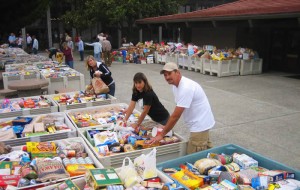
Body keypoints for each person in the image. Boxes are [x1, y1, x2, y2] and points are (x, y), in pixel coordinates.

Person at [148, 62, 215, 154]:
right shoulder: (176, 87)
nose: (167, 77)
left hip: (200, 125)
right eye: (165, 75)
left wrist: (162, 134)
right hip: (199, 123)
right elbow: (178, 109)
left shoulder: (186, 88)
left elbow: (176, 116)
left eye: (169, 73)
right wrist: (166, 127)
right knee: (208, 153)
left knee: (194, 157)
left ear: (177, 72)